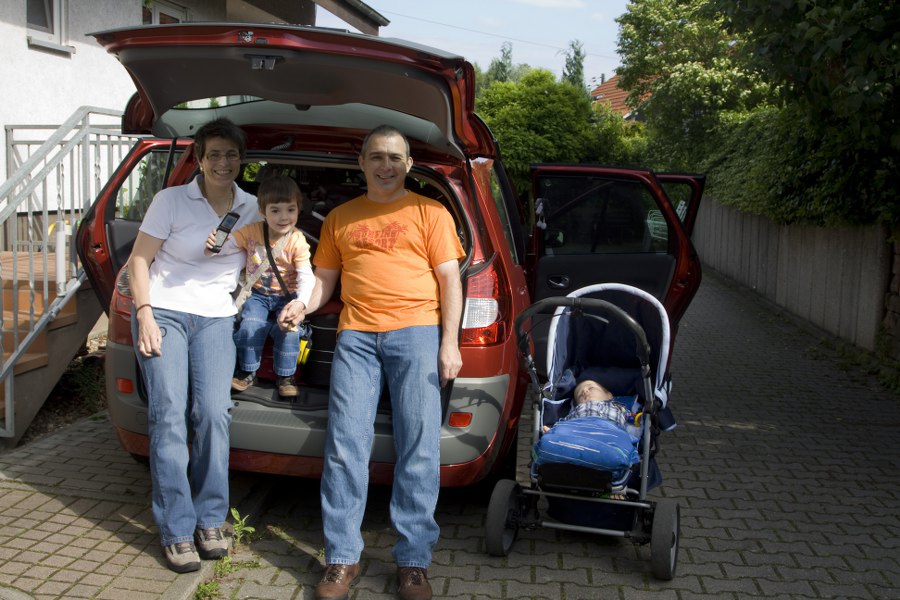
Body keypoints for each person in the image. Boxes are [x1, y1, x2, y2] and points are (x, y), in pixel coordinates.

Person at [278, 125, 464, 600]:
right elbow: (325, 281)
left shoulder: (431, 212)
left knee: (419, 445)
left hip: (417, 332)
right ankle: (342, 557)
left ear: (409, 165)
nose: (386, 165)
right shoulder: (341, 217)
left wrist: (449, 343)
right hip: (357, 337)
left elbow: (450, 281)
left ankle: (413, 562)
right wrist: (303, 305)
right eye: (377, 156)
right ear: (361, 163)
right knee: (345, 445)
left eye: (395, 157)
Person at [127, 117, 260, 573]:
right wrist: (144, 313)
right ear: (200, 159)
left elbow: (267, 259)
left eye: (231, 154)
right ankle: (177, 529)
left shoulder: (252, 207)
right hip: (164, 311)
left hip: (216, 317)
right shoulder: (170, 200)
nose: (223, 162)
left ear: (242, 160)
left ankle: (210, 519)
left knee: (214, 414)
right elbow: (138, 261)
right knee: (169, 414)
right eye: (214, 154)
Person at [206, 174, 315, 398]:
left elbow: (306, 276)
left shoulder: (297, 240)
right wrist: (213, 245)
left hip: (288, 296)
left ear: (299, 209)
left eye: (291, 210)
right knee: (250, 326)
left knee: (290, 332)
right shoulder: (252, 231)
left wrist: (300, 303)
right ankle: (247, 371)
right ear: (262, 212)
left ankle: (286, 376)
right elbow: (227, 246)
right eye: (275, 210)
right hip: (258, 294)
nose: (284, 217)